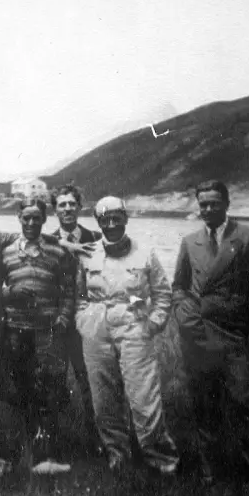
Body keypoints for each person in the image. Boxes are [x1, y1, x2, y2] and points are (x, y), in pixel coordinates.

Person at [171, 180, 249, 483]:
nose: (207, 209)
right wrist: (184, 316)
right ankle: (212, 470)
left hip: (234, 333)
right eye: (202, 204)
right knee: (204, 404)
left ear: (227, 204)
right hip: (197, 335)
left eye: (214, 203)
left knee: (245, 402)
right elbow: (179, 286)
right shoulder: (190, 241)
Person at [74, 196, 179, 475]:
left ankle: (160, 459)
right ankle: (117, 456)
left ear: (126, 219)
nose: (111, 224)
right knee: (103, 397)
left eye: (116, 218)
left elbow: (162, 294)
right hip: (97, 327)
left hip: (134, 326)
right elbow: (79, 294)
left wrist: (153, 324)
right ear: (98, 222)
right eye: (105, 219)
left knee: (144, 396)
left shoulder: (145, 253)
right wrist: (83, 320)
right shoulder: (88, 253)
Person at [0, 197, 76, 474]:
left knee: (50, 391)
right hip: (15, 331)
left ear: (44, 219)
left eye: (36, 218)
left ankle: (49, 455)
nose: (31, 222)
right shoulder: (6, 252)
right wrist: (10, 292)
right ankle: (23, 452)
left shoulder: (58, 252)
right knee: (19, 391)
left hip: (48, 333)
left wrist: (63, 319)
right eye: (26, 217)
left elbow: (69, 290)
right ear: (19, 218)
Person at [49, 185, 103, 454]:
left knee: (90, 381)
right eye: (62, 205)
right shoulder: (47, 241)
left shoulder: (97, 238)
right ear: (55, 210)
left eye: (72, 204)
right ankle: (58, 443)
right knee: (54, 381)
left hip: (89, 321)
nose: (68, 209)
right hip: (58, 321)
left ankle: (98, 439)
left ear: (80, 207)